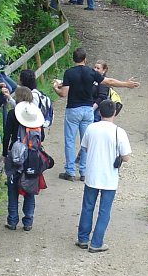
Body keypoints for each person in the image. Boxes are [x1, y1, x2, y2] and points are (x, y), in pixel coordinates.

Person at [52, 48, 138, 182]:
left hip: (73, 109)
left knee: (70, 140)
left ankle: (70, 171)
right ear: (85, 59)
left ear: (73, 59)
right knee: (86, 141)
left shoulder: (69, 73)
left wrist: (55, 88)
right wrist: (126, 84)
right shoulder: (91, 72)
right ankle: (84, 171)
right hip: (88, 110)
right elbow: (109, 82)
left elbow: (63, 93)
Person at [75, 100, 131, 253]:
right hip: (109, 177)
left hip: (92, 174)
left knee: (87, 207)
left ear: (99, 112)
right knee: (104, 211)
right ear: (114, 113)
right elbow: (126, 157)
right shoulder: (119, 132)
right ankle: (96, 243)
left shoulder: (91, 128)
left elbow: (85, 148)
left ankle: (83, 239)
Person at [2, 87, 45, 231]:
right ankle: (28, 221)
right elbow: (42, 137)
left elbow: (7, 136)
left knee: (12, 188)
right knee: (30, 187)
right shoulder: (36, 114)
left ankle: (12, 220)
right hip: (32, 156)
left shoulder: (12, 114)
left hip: (16, 155)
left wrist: (5, 153)